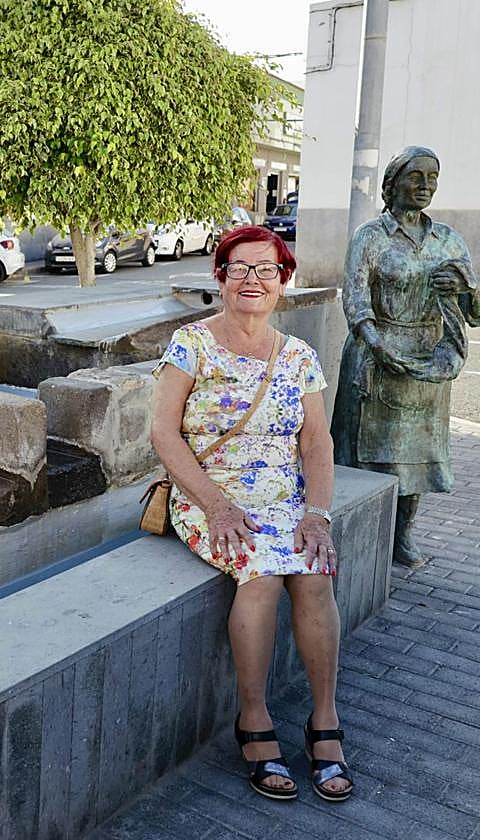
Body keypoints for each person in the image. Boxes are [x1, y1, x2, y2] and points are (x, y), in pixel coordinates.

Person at [150, 225, 353, 802]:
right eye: (239, 269)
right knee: (261, 574)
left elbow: (317, 443)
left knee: (315, 573)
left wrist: (317, 513)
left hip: (283, 499)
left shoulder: (299, 357)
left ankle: (323, 719)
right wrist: (215, 505)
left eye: (266, 270)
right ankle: (255, 719)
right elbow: (163, 432)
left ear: (283, 282)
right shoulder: (192, 344)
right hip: (207, 497)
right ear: (220, 278)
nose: (252, 280)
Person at [331, 146, 478, 568]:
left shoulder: (448, 239)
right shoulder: (371, 237)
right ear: (393, 183)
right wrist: (377, 343)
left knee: (415, 459)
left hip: (426, 366)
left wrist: (469, 287)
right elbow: (355, 299)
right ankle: (353, 531)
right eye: (416, 177)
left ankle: (402, 535)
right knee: (362, 455)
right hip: (375, 358)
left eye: (433, 177)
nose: (426, 186)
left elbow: (475, 313)